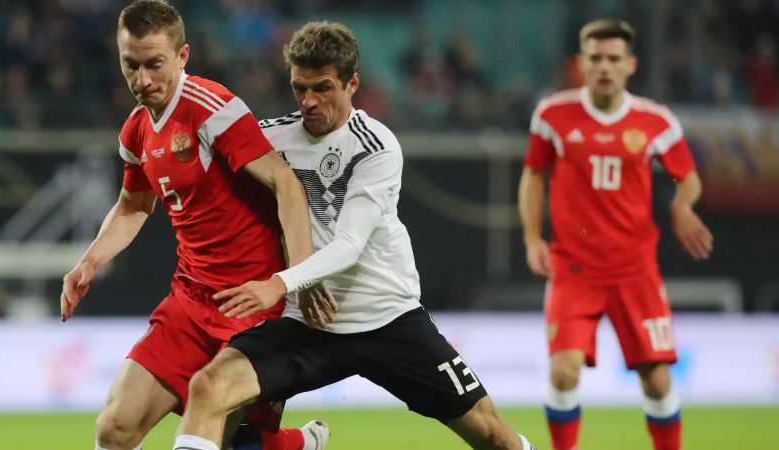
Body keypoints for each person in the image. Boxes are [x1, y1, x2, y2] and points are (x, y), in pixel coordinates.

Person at [170, 21, 537, 450]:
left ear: (352, 83)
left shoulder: (375, 146)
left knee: (494, 436)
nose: (308, 101)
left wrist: (281, 282)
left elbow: (349, 244)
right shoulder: (270, 138)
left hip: (387, 319)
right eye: (299, 88)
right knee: (210, 389)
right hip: (306, 324)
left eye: (323, 88)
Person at [59, 2, 329, 449]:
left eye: (154, 64)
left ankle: (294, 443)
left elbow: (285, 183)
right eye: (131, 65)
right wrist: (90, 262)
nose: (142, 80)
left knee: (216, 440)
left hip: (251, 309)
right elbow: (132, 206)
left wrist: (296, 277)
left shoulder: (211, 108)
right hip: (189, 302)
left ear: (182, 56)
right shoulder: (136, 130)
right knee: (114, 429)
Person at [517, 19, 713, 450]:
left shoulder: (656, 121)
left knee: (658, 382)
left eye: (614, 59)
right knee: (563, 371)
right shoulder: (552, 114)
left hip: (635, 272)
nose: (605, 67)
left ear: (631, 65)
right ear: (580, 64)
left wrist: (682, 206)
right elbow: (533, 175)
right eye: (596, 58)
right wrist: (533, 239)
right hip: (574, 269)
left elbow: (689, 178)